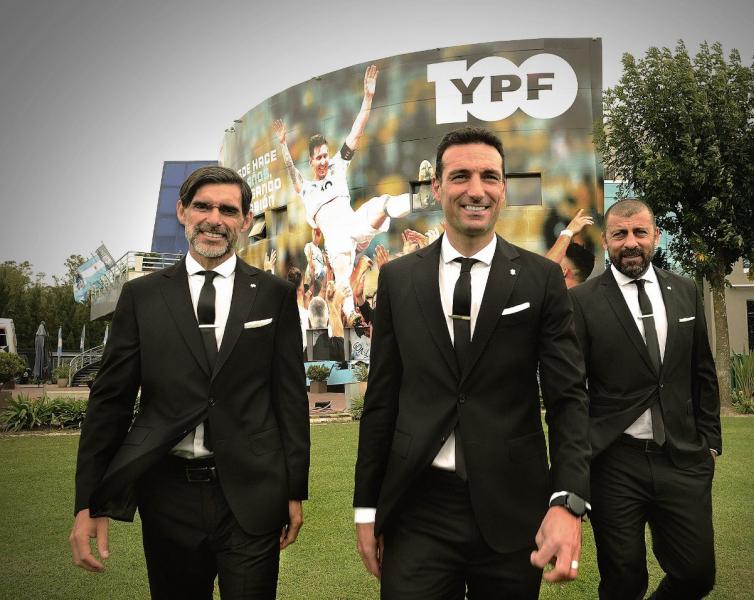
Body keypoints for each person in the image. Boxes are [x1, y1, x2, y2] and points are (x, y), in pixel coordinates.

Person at [353, 126, 591, 599]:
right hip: (417, 508)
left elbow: (568, 399)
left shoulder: (541, 279)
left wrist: (567, 501)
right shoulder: (398, 279)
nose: (476, 190)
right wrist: (366, 509)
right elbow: (381, 400)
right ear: (437, 187)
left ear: (503, 188)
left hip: (513, 504)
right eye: (460, 176)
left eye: (490, 177)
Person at [69, 166, 311, 600]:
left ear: (245, 220)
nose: (214, 219)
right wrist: (89, 502)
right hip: (167, 496)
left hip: (253, 493)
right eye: (203, 206)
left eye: (227, 210)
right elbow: (110, 402)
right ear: (182, 211)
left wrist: (295, 491)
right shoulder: (141, 296)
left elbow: (289, 399)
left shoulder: (273, 294)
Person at [569, 199, 722, 600]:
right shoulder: (583, 301)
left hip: (682, 457)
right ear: (606, 241)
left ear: (656, 235)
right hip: (615, 462)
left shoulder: (685, 291)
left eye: (639, 232)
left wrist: (710, 443)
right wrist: (578, 463)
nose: (630, 243)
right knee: (622, 581)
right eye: (619, 234)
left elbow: (702, 372)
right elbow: (572, 391)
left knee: (696, 575)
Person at [273, 65, 411, 322]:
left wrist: (368, 98)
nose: (324, 161)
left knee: (381, 204)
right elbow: (291, 172)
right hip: (336, 239)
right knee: (341, 267)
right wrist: (283, 145)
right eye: (319, 157)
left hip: (352, 224)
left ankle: (418, 200)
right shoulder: (307, 189)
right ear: (311, 161)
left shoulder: (337, 166)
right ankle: (351, 314)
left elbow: (356, 133)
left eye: (326, 155)